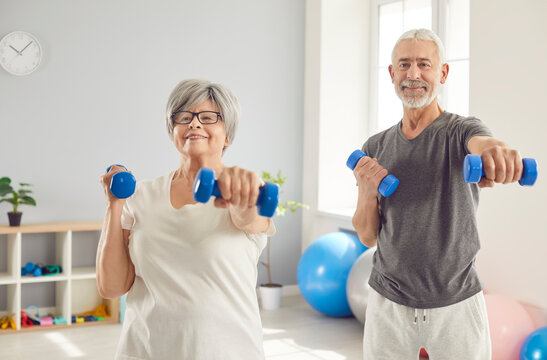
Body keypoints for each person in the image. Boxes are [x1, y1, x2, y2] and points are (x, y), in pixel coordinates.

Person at [352, 29, 524, 359]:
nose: (413, 74)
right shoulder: (375, 147)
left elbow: (485, 144)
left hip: (456, 302)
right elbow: (366, 235)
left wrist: (498, 152)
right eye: (403, 64)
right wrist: (366, 190)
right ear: (392, 74)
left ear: (442, 73)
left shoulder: (461, 131)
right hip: (388, 301)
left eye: (424, 64)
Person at [97, 78, 275, 360]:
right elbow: (112, 287)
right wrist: (114, 204)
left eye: (208, 117)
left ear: (227, 135)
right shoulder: (141, 195)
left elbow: (251, 218)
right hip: (145, 349)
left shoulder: (243, 189)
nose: (194, 124)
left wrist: (242, 199)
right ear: (173, 130)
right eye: (184, 117)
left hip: (227, 350)